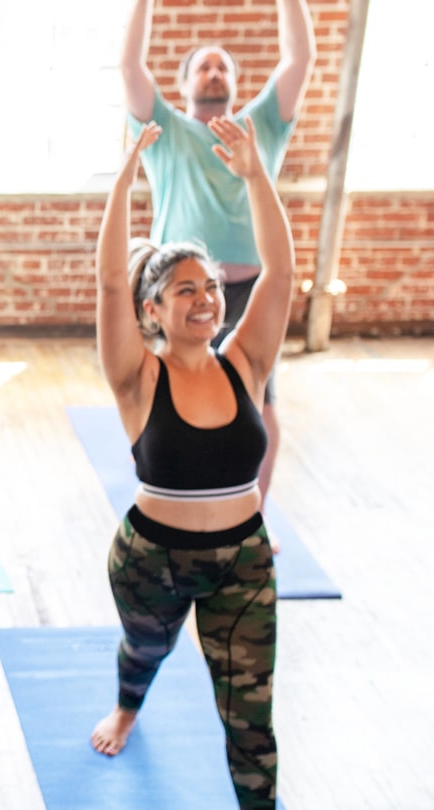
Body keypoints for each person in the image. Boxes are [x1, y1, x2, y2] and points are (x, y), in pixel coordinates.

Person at [89, 117, 293, 809]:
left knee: (250, 721)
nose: (206, 297)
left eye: (210, 286)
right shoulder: (136, 378)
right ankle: (127, 705)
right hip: (151, 560)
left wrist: (256, 178)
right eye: (186, 289)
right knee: (144, 653)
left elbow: (282, 272)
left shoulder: (248, 363)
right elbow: (111, 287)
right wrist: (122, 182)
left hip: (244, 561)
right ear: (154, 307)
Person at [120, 0, 315, 535]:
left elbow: (300, 59)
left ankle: (253, 514)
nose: (213, 72)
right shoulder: (166, 128)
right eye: (202, 65)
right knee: (162, 395)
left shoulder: (260, 127)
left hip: (251, 288)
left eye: (222, 65)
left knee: (258, 403)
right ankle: (169, 499)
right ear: (183, 84)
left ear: (235, 81)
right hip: (172, 294)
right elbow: (131, 68)